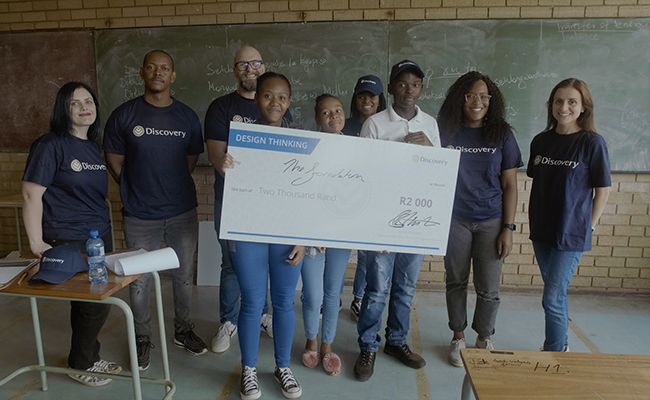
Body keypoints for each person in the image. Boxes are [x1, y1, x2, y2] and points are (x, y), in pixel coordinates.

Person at [103, 50, 207, 371]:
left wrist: (165, 184)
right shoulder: (124, 115)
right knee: (139, 281)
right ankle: (142, 336)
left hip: (182, 212)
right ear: (142, 73)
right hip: (139, 213)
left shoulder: (187, 117)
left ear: (173, 76)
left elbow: (189, 161)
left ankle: (182, 329)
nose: (158, 73)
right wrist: (137, 186)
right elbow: (114, 159)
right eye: (151, 67)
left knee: (183, 276)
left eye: (164, 68)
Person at [22, 81, 121, 386]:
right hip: (66, 236)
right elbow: (30, 194)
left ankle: (88, 356)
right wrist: (36, 242)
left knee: (95, 302)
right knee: (89, 304)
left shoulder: (92, 145)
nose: (84, 108)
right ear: (63, 109)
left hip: (96, 236)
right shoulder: (50, 145)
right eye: (75, 103)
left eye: (88, 101)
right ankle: (82, 363)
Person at [354, 60, 440, 382]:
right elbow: (361, 174)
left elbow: (439, 172)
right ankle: (368, 345)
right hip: (381, 220)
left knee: (405, 286)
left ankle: (397, 341)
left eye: (415, 84)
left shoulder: (430, 124)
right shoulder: (375, 125)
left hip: (416, 220)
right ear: (390, 88)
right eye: (402, 84)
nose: (409, 90)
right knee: (377, 289)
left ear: (421, 88)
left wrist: (430, 149)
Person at [221, 72, 305, 399]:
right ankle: (249, 370)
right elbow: (237, 188)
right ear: (256, 98)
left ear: (289, 101)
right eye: (268, 96)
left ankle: (283, 367)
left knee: (284, 302)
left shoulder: (301, 138)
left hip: (287, 232)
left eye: (282, 97)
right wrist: (227, 166)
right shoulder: (242, 137)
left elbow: (309, 192)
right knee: (253, 302)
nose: (275, 103)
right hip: (249, 231)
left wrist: (303, 238)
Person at [204, 45, 290, 353]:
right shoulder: (221, 107)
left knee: (266, 262)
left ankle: (262, 314)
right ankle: (229, 320)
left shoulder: (279, 107)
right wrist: (240, 175)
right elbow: (216, 154)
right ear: (234, 70)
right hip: (233, 200)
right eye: (242, 64)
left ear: (263, 65)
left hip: (272, 203)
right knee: (232, 263)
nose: (249, 68)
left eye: (255, 62)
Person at [436, 71, 522, 367]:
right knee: (456, 281)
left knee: (488, 287)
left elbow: (510, 185)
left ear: (491, 100)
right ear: (460, 99)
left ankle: (484, 336)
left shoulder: (502, 135)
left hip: (491, 221)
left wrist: (508, 228)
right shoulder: (446, 131)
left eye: (484, 96)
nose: (477, 101)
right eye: (471, 95)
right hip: (455, 219)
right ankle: (458, 336)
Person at [527, 78, 610, 352]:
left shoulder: (592, 143)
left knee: (552, 297)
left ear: (583, 107)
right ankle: (560, 345)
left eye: (572, 102)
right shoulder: (540, 141)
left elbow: (603, 192)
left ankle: (554, 351)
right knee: (555, 295)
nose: (564, 107)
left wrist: (591, 227)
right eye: (558, 101)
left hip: (571, 233)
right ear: (551, 105)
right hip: (542, 231)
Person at [300, 94, 352, 377]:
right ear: (317, 119)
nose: (333, 116)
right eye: (326, 112)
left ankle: (327, 347)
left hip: (341, 234)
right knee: (313, 294)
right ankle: (311, 339)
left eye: (338, 110)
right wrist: (312, 230)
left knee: (333, 292)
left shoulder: (356, 148)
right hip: (312, 234)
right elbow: (302, 191)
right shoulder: (308, 148)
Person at [341, 75, 387, 321]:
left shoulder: (385, 127)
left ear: (380, 100)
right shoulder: (343, 125)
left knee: (366, 254)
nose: (366, 100)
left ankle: (358, 298)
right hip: (345, 196)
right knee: (337, 249)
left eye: (372, 96)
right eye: (361, 95)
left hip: (373, 199)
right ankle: (333, 297)